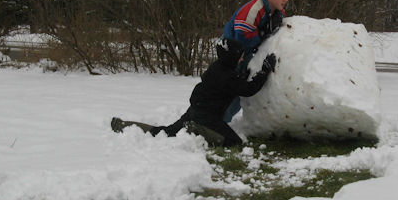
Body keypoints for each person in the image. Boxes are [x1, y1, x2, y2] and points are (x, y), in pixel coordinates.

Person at [111, 38, 276, 147]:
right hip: (206, 117)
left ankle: (124, 125)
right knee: (233, 143)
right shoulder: (226, 75)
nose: (241, 59)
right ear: (232, 57)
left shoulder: (219, 67)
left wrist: (244, 75)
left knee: (164, 132)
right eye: (239, 56)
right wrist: (264, 71)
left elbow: (232, 83)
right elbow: (248, 90)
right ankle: (196, 130)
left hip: (195, 110)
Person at [222, 0, 288, 122]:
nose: (286, 0)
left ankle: (224, 120)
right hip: (234, 50)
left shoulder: (276, 9)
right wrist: (262, 34)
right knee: (231, 87)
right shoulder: (252, 10)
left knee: (239, 92)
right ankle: (217, 120)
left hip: (248, 50)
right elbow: (242, 37)